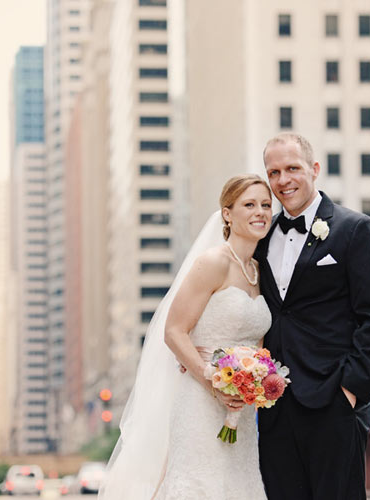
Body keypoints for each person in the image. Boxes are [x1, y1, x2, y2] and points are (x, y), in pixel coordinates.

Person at [100, 174, 273, 500]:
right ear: (227, 213)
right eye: (249, 204)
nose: (260, 211)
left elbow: (257, 340)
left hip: (242, 409)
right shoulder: (213, 263)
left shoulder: (259, 272)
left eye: (266, 205)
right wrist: (213, 381)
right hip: (200, 400)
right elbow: (174, 331)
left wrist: (258, 379)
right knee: (199, 485)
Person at [255, 133, 370, 500]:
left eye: (292, 168)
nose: (283, 180)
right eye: (274, 172)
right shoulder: (262, 235)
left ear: (314, 169)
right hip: (274, 406)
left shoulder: (355, 230)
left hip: (332, 401)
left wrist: (350, 389)